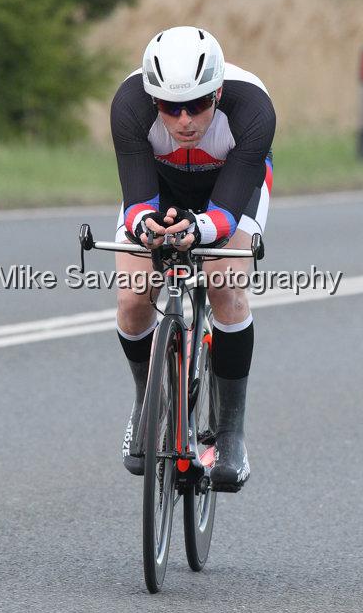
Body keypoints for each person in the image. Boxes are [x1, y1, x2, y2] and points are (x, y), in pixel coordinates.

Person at [110, 26, 275, 492]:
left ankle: (230, 433)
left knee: (226, 284)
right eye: (169, 107)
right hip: (161, 189)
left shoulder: (253, 108)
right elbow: (138, 199)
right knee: (134, 297)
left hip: (232, 189)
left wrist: (198, 229)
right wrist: (146, 226)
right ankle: (147, 402)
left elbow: (225, 212)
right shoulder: (129, 105)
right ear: (152, 99)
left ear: (218, 92)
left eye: (199, 105)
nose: (184, 120)